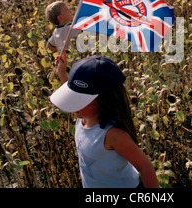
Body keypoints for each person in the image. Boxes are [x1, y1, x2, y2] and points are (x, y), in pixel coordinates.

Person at [51, 53, 159, 188]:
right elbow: (76, 93)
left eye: (78, 100)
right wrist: (61, 72)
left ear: (101, 101)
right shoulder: (85, 116)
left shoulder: (113, 135)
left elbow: (145, 167)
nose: (73, 105)